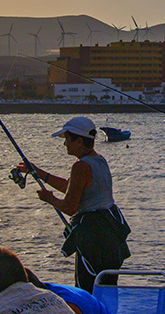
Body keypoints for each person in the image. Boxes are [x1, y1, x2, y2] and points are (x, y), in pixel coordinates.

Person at [18, 116, 131, 293]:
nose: (65, 145)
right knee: (106, 287)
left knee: (87, 287)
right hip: (111, 235)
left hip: (94, 237)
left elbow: (70, 207)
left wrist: (49, 199)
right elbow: (70, 187)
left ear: (78, 140)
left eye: (67, 140)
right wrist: (38, 172)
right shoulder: (99, 160)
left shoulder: (81, 167)